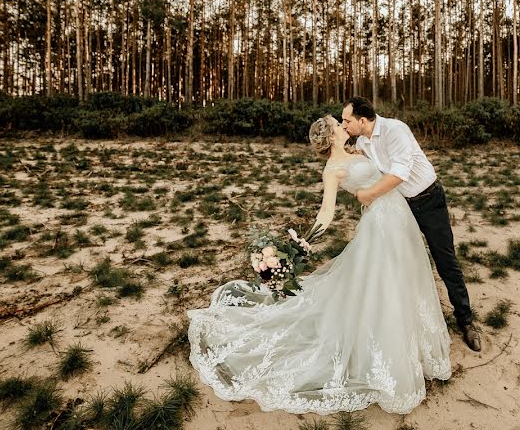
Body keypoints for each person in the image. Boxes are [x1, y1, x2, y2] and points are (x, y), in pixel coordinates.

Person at [186, 115, 451, 415]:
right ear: (332, 136)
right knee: (383, 282)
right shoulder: (333, 170)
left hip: (399, 216)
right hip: (380, 225)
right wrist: (304, 241)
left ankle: (412, 341)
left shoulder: (359, 151)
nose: (344, 126)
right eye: (339, 125)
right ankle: (385, 349)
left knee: (404, 276)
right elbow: (326, 213)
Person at [341, 96, 481, 352]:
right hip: (400, 207)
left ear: (362, 120)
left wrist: (367, 195)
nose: (343, 126)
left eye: (346, 121)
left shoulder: (396, 130)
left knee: (445, 260)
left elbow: (398, 174)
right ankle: (407, 323)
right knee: (401, 261)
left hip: (429, 200)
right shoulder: (362, 141)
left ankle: (466, 321)